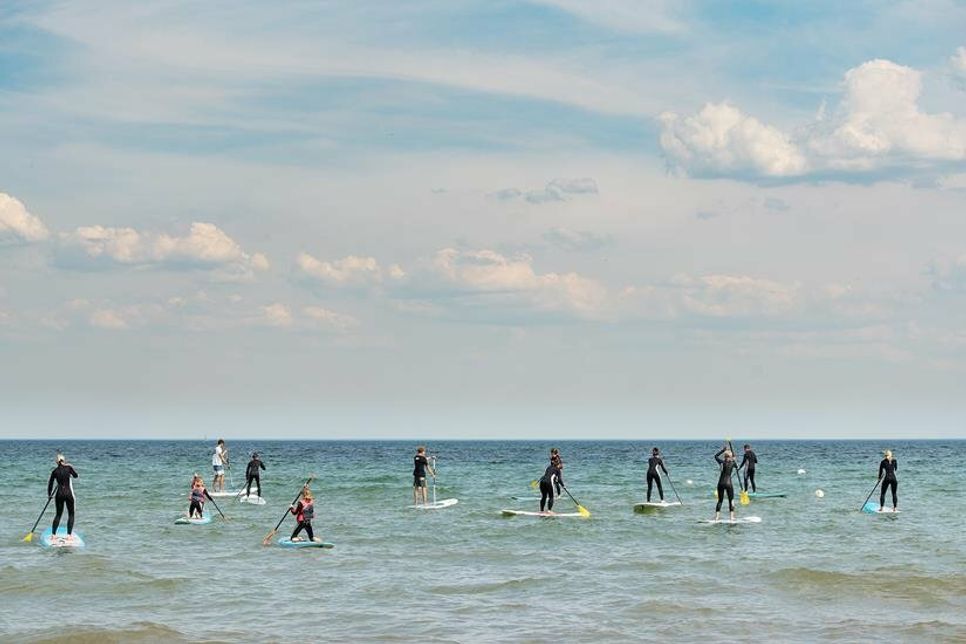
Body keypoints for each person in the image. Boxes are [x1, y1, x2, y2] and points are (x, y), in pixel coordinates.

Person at [47, 454, 79, 541]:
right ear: (64, 460)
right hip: (68, 494)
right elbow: (76, 476)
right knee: (71, 514)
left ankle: (53, 535)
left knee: (58, 514)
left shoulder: (55, 471)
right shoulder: (68, 468)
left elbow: (50, 484)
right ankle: (69, 536)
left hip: (59, 494)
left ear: (56, 462)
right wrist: (71, 467)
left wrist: (49, 495)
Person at [714, 445, 737, 521]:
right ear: (730, 457)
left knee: (720, 501)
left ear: (724, 457)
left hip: (720, 483)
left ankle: (717, 518)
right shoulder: (733, 463)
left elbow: (716, 456)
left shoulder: (722, 462)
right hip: (728, 484)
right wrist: (734, 459)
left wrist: (723, 450)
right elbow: (737, 466)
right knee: (731, 500)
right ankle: (731, 518)